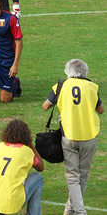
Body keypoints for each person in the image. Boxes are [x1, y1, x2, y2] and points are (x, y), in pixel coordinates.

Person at [42, 59, 103, 215]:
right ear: (85, 72)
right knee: (82, 176)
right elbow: (101, 109)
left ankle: (74, 210)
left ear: (68, 71)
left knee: (72, 176)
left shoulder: (61, 86)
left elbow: (46, 106)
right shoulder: (92, 87)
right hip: (89, 136)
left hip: (69, 136)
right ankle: (74, 210)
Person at [0, 119, 44, 215]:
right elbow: (40, 167)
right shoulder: (26, 151)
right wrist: (31, 145)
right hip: (13, 200)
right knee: (38, 177)